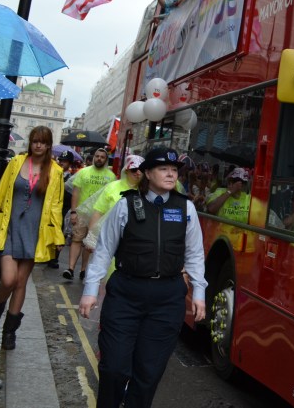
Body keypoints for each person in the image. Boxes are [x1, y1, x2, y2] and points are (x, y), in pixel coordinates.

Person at [78, 147, 206, 408]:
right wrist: (90, 290)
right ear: (147, 173)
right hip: (125, 294)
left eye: (174, 170)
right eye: (163, 169)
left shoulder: (186, 209)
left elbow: (195, 254)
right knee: (113, 367)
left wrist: (199, 294)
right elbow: (103, 250)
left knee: (148, 374)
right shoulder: (126, 204)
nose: (171, 174)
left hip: (167, 299)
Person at [0, 126, 65, 350]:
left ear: (48, 145)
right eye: (35, 141)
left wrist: (57, 236)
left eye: (43, 142)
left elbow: (56, 206)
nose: (38, 145)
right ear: (30, 142)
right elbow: (0, 193)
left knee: (20, 283)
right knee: (8, 280)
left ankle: (9, 332)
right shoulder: (16, 163)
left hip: (35, 232)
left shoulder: (55, 171)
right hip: (10, 227)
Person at [65, 147, 116, 281]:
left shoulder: (111, 177)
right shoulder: (83, 172)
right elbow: (75, 192)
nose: (99, 158)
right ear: (93, 157)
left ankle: (83, 270)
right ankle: (70, 268)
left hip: (99, 215)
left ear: (106, 160)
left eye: (102, 157)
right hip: (81, 212)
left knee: (89, 244)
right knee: (76, 239)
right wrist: (74, 211)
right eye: (97, 156)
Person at [83, 155, 146, 248]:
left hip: (137, 241)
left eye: (141, 170)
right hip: (110, 239)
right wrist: (91, 239)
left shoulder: (148, 190)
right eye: (134, 169)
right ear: (126, 171)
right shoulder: (112, 187)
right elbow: (98, 212)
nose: (138, 173)